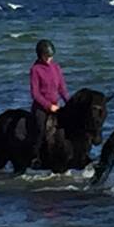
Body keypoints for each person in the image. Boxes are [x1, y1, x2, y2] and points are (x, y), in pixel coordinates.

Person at [29, 39, 69, 167]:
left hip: (56, 106)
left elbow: (62, 89)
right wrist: (49, 106)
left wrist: (69, 103)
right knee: (41, 129)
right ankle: (35, 157)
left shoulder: (56, 67)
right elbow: (35, 94)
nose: (49, 59)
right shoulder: (35, 70)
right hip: (41, 107)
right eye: (46, 56)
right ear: (40, 55)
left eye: (50, 56)